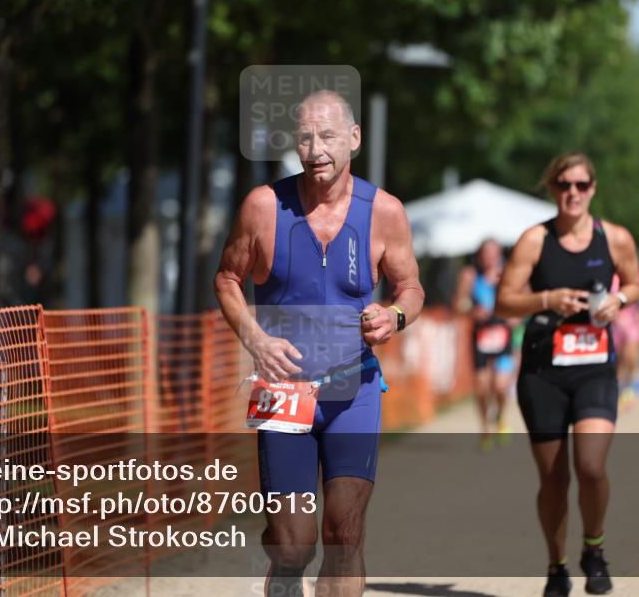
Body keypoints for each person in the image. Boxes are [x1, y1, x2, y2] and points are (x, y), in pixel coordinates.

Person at [214, 90, 424, 597]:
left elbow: (412, 288)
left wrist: (394, 316)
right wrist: (255, 337)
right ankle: (282, 564)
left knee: (344, 534)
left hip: (354, 388)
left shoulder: (385, 212)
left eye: (327, 135)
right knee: (294, 545)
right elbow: (227, 279)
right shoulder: (264, 207)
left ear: (353, 138)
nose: (315, 149)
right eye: (305, 137)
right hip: (283, 390)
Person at [496, 152, 639, 597]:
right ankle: (556, 566)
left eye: (580, 185)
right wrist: (547, 299)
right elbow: (503, 302)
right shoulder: (534, 241)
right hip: (543, 370)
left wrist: (621, 300)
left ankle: (593, 550)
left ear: (593, 188)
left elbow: (635, 283)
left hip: (595, 367)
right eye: (563, 184)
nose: (572, 193)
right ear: (553, 188)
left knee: (591, 466)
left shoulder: (614, 239)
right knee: (554, 477)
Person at [453, 238, 516, 450]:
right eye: (485, 253)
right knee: (481, 387)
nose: (489, 257)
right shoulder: (470, 276)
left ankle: (499, 416)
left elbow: (522, 300)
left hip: (503, 335)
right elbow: (458, 304)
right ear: (480, 255)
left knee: (499, 385)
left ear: (500, 254)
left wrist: (514, 317)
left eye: (493, 252)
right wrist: (472, 310)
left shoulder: (508, 273)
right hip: (481, 336)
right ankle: (485, 427)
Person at [611, 268, 639, 410]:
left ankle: (629, 388)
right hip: (616, 322)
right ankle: (619, 390)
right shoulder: (611, 274)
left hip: (632, 320)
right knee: (619, 360)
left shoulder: (638, 273)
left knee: (630, 356)